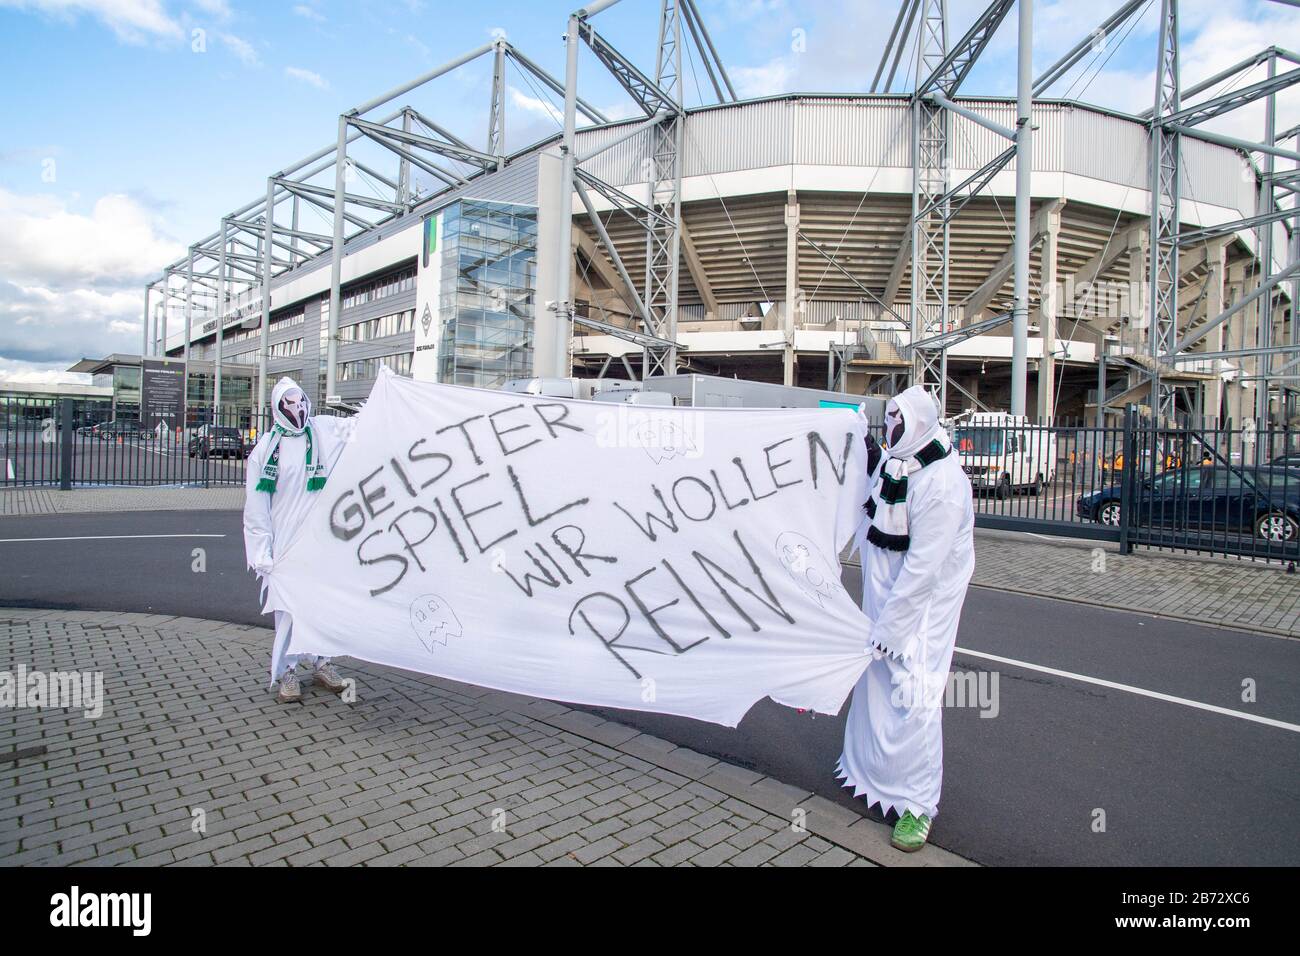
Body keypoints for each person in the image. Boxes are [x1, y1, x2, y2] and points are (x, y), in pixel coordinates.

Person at [838, 385, 975, 852]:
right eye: (888, 418)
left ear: (918, 424)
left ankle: (918, 805)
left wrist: (891, 628)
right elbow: (878, 480)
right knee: (877, 688)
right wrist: (869, 447)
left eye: (898, 421)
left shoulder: (943, 484)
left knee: (915, 696)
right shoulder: (902, 462)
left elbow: (923, 570)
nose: (891, 427)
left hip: (918, 616)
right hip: (884, 605)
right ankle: (870, 776)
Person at [243, 377, 356, 703]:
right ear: (278, 407)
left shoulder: (322, 432)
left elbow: (357, 429)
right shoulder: (266, 450)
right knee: (290, 610)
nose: (298, 408)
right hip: (286, 543)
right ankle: (287, 672)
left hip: (321, 541)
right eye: (290, 403)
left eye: (301, 401)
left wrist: (386, 394)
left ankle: (322, 663)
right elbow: (256, 508)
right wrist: (262, 550)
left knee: (322, 604)